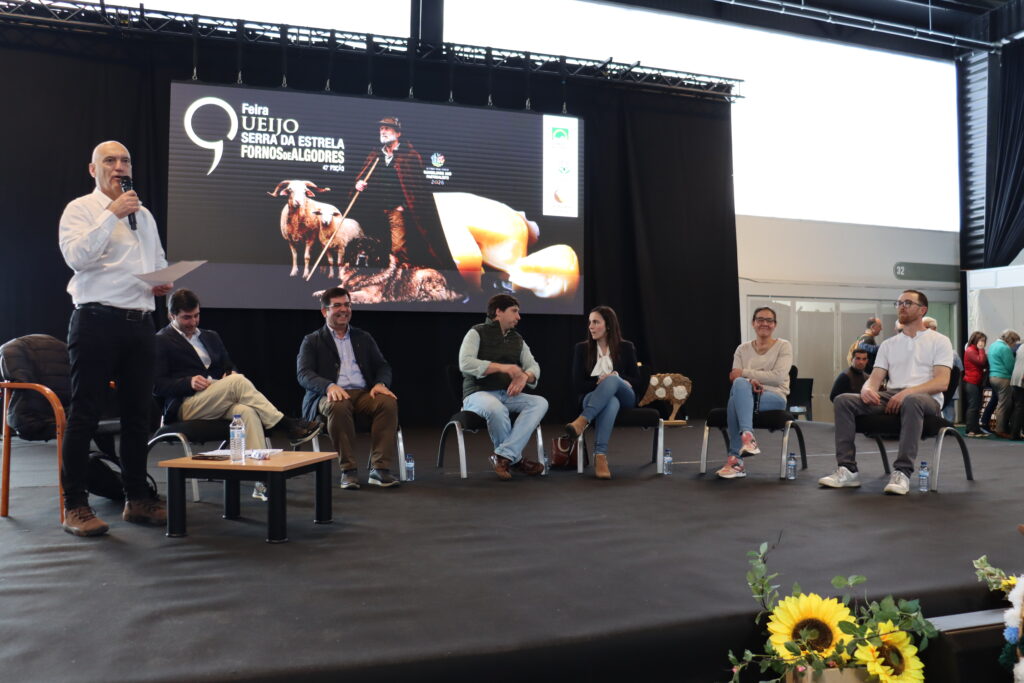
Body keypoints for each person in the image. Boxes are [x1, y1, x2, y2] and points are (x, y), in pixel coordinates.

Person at [57, 140, 173, 536]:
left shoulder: (145, 215)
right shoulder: (81, 209)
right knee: (85, 414)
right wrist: (111, 214)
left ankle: (137, 500)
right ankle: (75, 506)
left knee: (139, 416)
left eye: (125, 160)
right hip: (95, 321)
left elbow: (155, 263)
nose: (119, 166)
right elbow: (77, 258)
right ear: (94, 169)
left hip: (140, 324)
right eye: (110, 160)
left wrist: (163, 281)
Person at [154, 289, 321, 499]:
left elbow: (227, 365)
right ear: (172, 316)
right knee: (238, 382)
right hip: (186, 404)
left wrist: (229, 372)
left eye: (196, 315)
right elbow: (157, 386)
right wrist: (187, 382)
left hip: (218, 397)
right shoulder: (161, 340)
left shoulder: (210, 336)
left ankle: (262, 481)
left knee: (246, 412)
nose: (193, 322)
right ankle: (286, 425)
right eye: (186, 317)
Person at [820, 290, 953, 496]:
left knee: (912, 400)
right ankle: (847, 469)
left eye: (908, 303)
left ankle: (902, 472)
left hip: (926, 399)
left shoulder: (940, 341)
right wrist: (866, 390)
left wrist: (907, 393)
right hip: (892, 395)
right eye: (899, 303)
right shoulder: (889, 345)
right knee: (843, 400)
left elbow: (942, 382)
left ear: (922, 310)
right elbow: (874, 380)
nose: (901, 306)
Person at [297, 287, 400, 489]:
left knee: (387, 402)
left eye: (347, 304)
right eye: (337, 305)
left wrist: (381, 384)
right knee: (339, 404)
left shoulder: (363, 337)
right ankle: (349, 470)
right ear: (324, 311)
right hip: (326, 396)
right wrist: (328, 386)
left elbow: (382, 366)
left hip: (362, 393)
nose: (344, 309)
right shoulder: (312, 340)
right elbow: (304, 374)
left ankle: (379, 469)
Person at [459, 294, 548, 480]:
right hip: (477, 394)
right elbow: (465, 363)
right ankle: (515, 460)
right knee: (496, 409)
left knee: (539, 403)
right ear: (498, 312)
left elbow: (534, 366)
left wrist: (525, 376)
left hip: (506, 394)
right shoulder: (476, 332)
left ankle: (503, 456)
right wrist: (502, 367)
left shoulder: (517, 339)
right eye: (514, 311)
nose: (518, 317)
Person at [351, 117, 456, 272]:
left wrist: (404, 206)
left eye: (387, 128)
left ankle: (400, 277)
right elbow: (363, 176)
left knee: (398, 247)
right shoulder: (375, 154)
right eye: (381, 129)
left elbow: (417, 187)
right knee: (377, 244)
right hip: (376, 211)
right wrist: (359, 184)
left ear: (398, 133)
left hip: (396, 210)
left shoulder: (410, 156)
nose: (383, 131)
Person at [565, 306, 642, 480]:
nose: (591, 326)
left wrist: (614, 378)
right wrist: (598, 383)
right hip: (591, 397)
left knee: (613, 379)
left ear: (608, 326)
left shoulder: (626, 347)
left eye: (596, 322)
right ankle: (600, 456)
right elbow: (577, 385)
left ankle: (582, 420)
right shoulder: (582, 349)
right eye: (590, 322)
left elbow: (637, 381)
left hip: (626, 397)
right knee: (611, 401)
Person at [715, 307, 792, 479]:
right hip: (746, 394)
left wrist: (745, 373)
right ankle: (748, 437)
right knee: (739, 388)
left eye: (769, 320)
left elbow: (778, 378)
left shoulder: (783, 346)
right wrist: (749, 381)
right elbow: (735, 378)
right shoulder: (742, 349)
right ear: (753, 323)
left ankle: (736, 461)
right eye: (760, 319)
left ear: (775, 325)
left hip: (774, 397)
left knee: (735, 399)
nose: (765, 323)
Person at [923, 317, 962, 422]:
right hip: (927, 390)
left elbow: (958, 371)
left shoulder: (949, 350)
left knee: (948, 414)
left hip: (947, 389)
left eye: (925, 327)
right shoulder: (920, 349)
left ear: (934, 328)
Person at [987, 330, 1019, 438]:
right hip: (1003, 378)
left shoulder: (993, 345)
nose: (1014, 345)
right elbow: (1010, 366)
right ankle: (1000, 430)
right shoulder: (1004, 348)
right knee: (1004, 405)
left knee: (1001, 403)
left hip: (993, 377)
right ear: (1010, 340)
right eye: (1014, 342)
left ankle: (1001, 428)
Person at [963, 331, 989, 437]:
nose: (983, 343)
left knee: (977, 406)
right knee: (973, 406)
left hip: (976, 381)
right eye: (981, 340)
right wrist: (982, 349)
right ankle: (970, 430)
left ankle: (976, 429)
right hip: (971, 382)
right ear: (976, 340)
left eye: (984, 341)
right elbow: (981, 362)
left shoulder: (974, 350)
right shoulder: (970, 350)